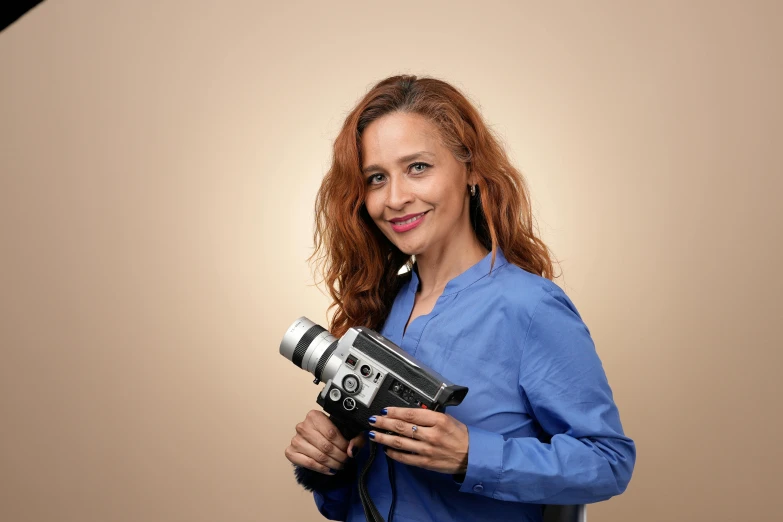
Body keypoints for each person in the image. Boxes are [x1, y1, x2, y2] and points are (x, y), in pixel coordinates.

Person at [283, 75, 636, 522]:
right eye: (376, 178)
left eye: (417, 167)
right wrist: (331, 464)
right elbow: (360, 499)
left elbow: (608, 461)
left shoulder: (529, 307)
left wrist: (471, 455)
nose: (395, 198)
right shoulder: (380, 305)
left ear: (470, 169)